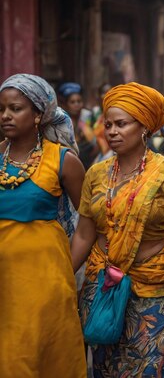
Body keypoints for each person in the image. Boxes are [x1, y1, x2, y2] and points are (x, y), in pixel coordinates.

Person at [70, 82, 164, 376]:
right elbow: (84, 233)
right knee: (107, 368)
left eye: (122, 124)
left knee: (157, 368)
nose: (112, 132)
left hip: (158, 290)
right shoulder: (96, 173)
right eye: (108, 125)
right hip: (104, 289)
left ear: (144, 126)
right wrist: (63, 279)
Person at [0, 74, 86, 377]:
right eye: (2, 109)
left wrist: (66, 266)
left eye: (15, 108)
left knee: (42, 356)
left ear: (38, 115)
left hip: (46, 281)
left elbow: (90, 224)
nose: (6, 115)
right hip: (4, 281)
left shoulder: (63, 161)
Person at [59, 82, 99, 168]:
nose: (76, 105)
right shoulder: (61, 122)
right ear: (66, 105)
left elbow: (96, 143)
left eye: (79, 101)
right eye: (72, 102)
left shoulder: (87, 118)